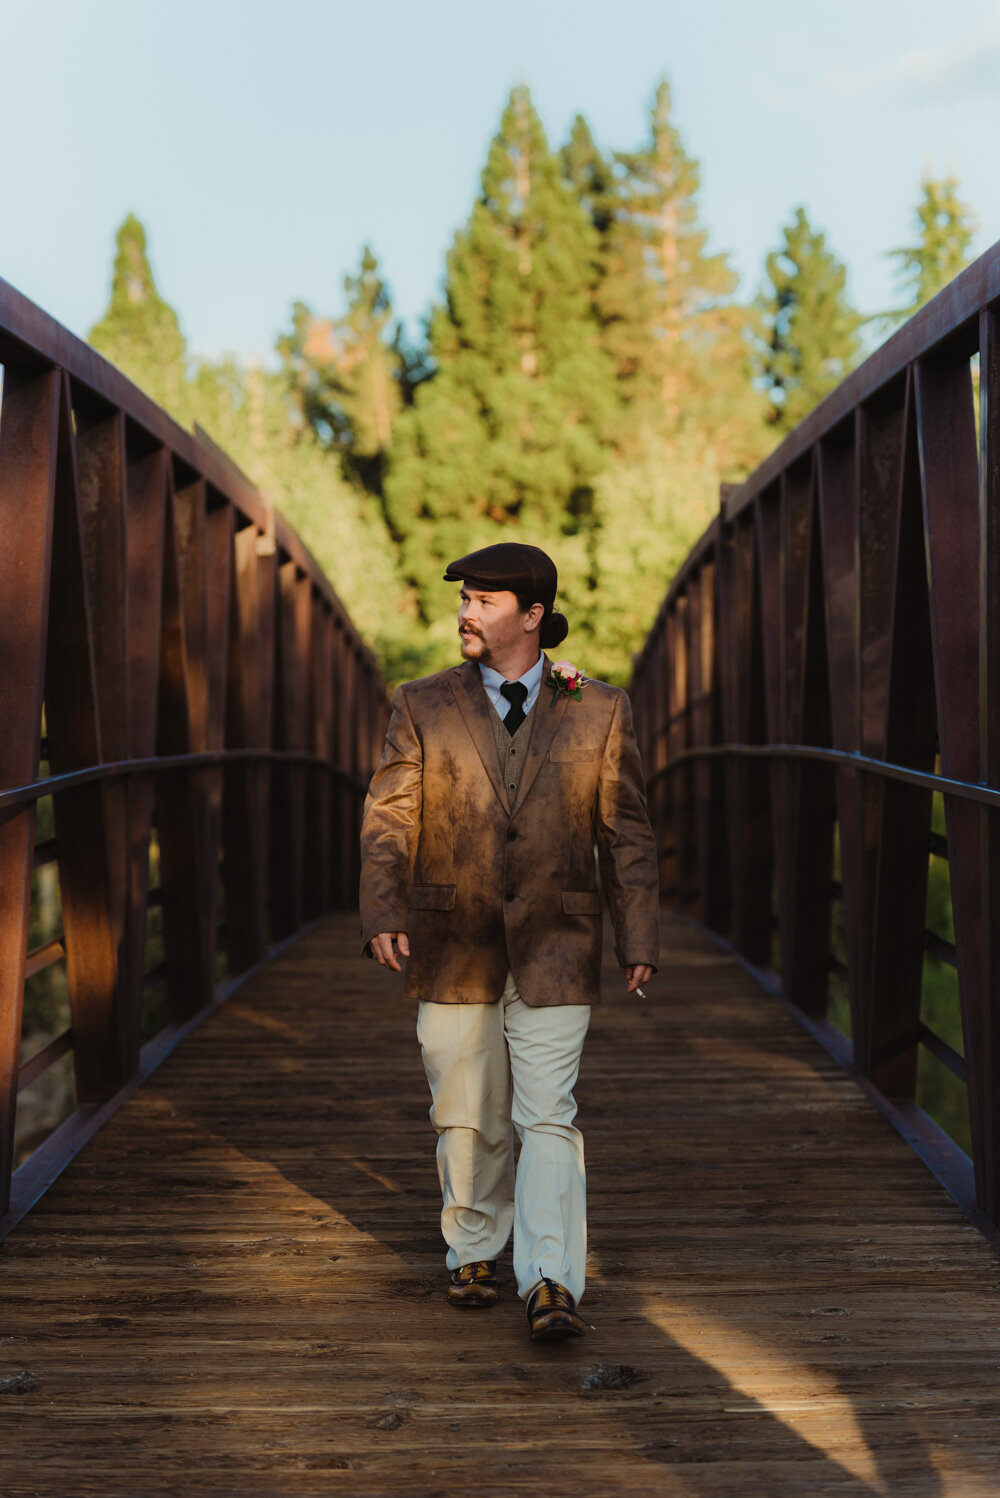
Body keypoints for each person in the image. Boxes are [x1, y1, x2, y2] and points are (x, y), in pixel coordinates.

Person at [360, 542, 659, 1342]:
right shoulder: (420, 702)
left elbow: (624, 829)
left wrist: (639, 931)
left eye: (484, 601)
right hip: (449, 933)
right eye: (463, 598)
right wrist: (382, 909)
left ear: (531, 617)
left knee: (548, 1114)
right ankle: (473, 1245)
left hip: (560, 936)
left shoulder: (599, 707)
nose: (465, 611)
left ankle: (552, 1277)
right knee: (465, 1107)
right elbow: (391, 815)